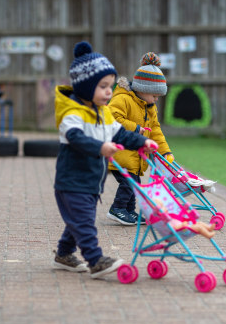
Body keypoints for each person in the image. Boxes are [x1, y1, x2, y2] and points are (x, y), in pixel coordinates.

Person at [52, 41, 157, 279]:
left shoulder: (104, 112)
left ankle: (63, 255)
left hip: (90, 182)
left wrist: (142, 142)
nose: (109, 92)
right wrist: (100, 147)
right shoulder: (72, 114)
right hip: (71, 181)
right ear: (86, 86)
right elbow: (75, 138)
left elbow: (119, 133)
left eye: (110, 86)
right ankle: (95, 260)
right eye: (102, 86)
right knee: (85, 223)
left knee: (77, 221)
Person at [106, 52, 175, 226]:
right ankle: (117, 208)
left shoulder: (149, 107)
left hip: (135, 157)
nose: (156, 99)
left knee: (134, 184)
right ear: (144, 89)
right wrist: (137, 129)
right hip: (120, 153)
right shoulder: (123, 99)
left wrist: (165, 151)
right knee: (131, 183)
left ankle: (129, 211)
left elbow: (156, 131)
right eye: (155, 95)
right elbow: (112, 119)